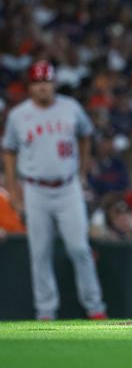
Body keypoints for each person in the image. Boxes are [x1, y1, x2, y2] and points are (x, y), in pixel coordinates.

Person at [1, 60, 108, 319]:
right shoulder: (18, 115)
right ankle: (46, 311)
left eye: (46, 82)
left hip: (68, 186)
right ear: (30, 86)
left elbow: (85, 136)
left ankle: (95, 308)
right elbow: (10, 152)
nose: (42, 87)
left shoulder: (70, 108)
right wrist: (15, 191)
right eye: (37, 82)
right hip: (35, 189)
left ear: (54, 83)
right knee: (40, 253)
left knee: (79, 248)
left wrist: (82, 171)